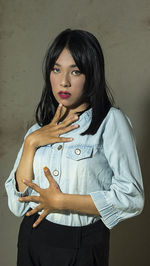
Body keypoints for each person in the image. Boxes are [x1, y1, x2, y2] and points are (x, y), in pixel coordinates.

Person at [5, 29, 144, 266]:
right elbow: (17, 206)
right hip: (31, 239)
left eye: (76, 71)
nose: (64, 81)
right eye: (56, 69)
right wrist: (31, 144)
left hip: (82, 244)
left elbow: (131, 198)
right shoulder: (37, 130)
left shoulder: (110, 121)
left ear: (91, 74)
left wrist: (61, 202)